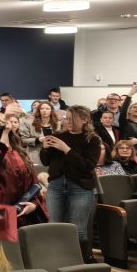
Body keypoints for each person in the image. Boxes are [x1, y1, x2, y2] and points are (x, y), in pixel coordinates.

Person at [41, 106, 101, 263]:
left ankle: (78, 263)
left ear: (84, 120)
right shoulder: (58, 136)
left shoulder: (92, 140)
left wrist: (67, 150)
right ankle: (55, 261)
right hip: (56, 185)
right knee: (54, 226)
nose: (66, 121)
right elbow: (46, 161)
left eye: (70, 118)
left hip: (80, 187)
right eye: (65, 118)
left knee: (78, 229)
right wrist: (45, 149)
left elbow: (88, 166)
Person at [0, 109, 46, 229]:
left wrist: (34, 204)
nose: (4, 120)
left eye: (6, 118)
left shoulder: (20, 152)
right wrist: (3, 122)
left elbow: (33, 183)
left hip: (23, 215)